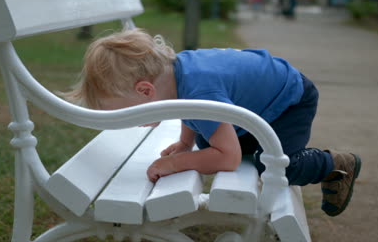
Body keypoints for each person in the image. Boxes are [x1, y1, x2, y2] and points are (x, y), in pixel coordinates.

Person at [62, 28, 361, 217]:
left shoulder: (200, 89)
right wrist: (186, 142)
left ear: (145, 91)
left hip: (288, 102)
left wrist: (175, 164)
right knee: (209, 142)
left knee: (274, 164)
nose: (133, 121)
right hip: (259, 102)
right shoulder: (176, 75)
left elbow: (228, 158)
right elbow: (191, 109)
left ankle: (335, 164)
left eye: (130, 113)